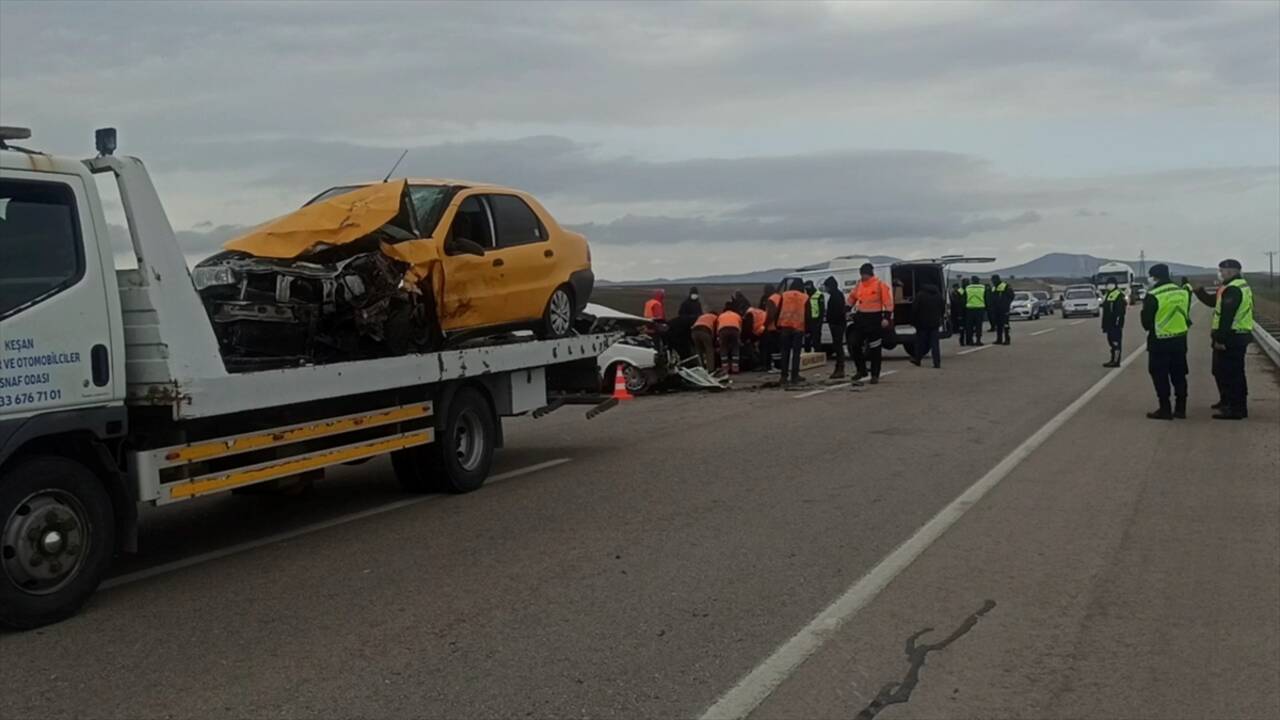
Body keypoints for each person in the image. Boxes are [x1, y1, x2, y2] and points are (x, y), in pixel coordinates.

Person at [1193, 259, 1254, 420]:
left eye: (1222, 270)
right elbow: (1214, 302)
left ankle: (1236, 409)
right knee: (1220, 371)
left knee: (1232, 374)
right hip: (1234, 335)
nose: (1219, 273)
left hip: (1233, 337)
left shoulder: (1234, 289)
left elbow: (1227, 317)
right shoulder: (1230, 287)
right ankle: (1227, 400)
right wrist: (1200, 292)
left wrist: (1220, 339)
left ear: (1231, 271)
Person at [1140, 264, 1190, 420]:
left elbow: (1146, 323)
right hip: (1180, 341)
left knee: (1160, 376)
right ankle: (1181, 409)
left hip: (1159, 342)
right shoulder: (1182, 292)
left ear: (1155, 277)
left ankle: (1165, 409)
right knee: (1179, 375)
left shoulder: (1153, 295)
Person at [847, 263, 894, 384]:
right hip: (861, 318)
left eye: (864, 274)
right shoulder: (859, 285)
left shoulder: (879, 285)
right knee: (854, 344)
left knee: (875, 348)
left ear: (870, 273)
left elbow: (888, 302)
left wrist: (886, 317)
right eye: (861, 274)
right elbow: (852, 297)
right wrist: (846, 309)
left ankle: (875, 374)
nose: (863, 277)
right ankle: (861, 370)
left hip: (875, 319)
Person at [776, 278, 808, 384]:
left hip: (785, 327)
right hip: (798, 328)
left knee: (785, 352)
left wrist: (777, 325)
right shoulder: (805, 297)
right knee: (796, 353)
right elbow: (808, 314)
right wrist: (809, 329)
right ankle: (795, 376)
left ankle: (783, 376)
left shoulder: (784, 295)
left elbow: (778, 309)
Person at [909, 283, 945, 368]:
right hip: (935, 323)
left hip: (922, 323)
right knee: (935, 344)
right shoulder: (938, 296)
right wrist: (939, 317)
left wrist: (912, 321)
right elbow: (943, 309)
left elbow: (914, 309)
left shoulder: (920, 295)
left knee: (920, 343)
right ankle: (937, 362)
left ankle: (917, 360)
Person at [823, 275, 847, 379]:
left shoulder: (836, 296)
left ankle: (840, 369)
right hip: (837, 324)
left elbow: (837, 311)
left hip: (837, 324)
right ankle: (839, 368)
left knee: (838, 347)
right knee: (837, 346)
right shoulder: (836, 295)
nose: (826, 289)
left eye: (827, 287)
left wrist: (831, 320)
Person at [1100, 279, 1126, 367]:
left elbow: (1120, 311)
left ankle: (1116, 361)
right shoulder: (1109, 294)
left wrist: (1117, 322)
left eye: (1110, 284)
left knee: (1116, 343)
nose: (1108, 286)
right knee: (1111, 342)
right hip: (1109, 324)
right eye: (1107, 284)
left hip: (1115, 324)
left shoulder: (1118, 295)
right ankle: (1113, 359)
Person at [717, 302, 743, 374]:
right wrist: (739, 338)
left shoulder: (721, 316)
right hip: (735, 330)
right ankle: (735, 369)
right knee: (735, 347)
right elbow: (740, 327)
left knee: (724, 348)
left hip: (723, 330)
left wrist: (719, 338)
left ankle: (725, 369)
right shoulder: (737, 315)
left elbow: (718, 328)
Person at [761, 284, 783, 371]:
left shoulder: (771, 299)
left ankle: (775, 366)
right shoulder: (780, 297)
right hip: (781, 326)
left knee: (772, 348)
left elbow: (771, 314)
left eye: (765, 291)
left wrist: (765, 325)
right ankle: (780, 365)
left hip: (773, 327)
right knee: (779, 348)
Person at [989, 274, 1014, 345]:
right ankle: (999, 339)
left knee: (1005, 324)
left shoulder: (1005, 286)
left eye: (993, 280)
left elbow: (1011, 296)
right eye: (992, 280)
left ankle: (1007, 339)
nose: (993, 281)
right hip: (996, 310)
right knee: (998, 325)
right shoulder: (994, 288)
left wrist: (1006, 304)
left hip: (1004, 309)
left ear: (997, 279)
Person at [964, 275, 987, 346]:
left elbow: (964, 298)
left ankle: (970, 341)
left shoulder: (967, 288)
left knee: (969, 326)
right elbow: (986, 298)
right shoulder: (983, 288)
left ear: (972, 281)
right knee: (978, 326)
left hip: (969, 309)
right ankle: (978, 340)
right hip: (980, 309)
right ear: (978, 280)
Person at [743, 305, 768, 372]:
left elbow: (748, 328)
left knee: (762, 348)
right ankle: (766, 364)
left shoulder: (749, 314)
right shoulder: (757, 311)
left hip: (762, 330)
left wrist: (747, 339)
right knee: (765, 348)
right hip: (767, 327)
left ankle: (762, 365)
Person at [804, 281, 824, 352]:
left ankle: (818, 357)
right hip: (807, 322)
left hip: (816, 321)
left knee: (816, 342)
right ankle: (807, 357)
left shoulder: (819, 295)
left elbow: (822, 310)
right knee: (807, 342)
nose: (807, 290)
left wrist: (820, 322)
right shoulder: (805, 296)